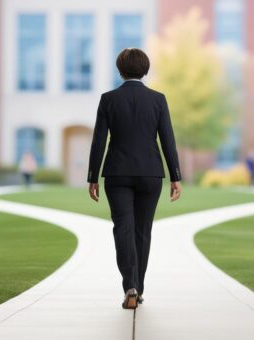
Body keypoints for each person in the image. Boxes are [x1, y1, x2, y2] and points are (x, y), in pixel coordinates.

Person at [87, 47, 182, 310]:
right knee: (143, 231)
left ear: (120, 70)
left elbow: (98, 141)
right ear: (146, 69)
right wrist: (175, 176)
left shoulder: (108, 99)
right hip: (151, 173)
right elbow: (168, 140)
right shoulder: (158, 99)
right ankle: (138, 288)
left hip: (117, 173)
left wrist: (93, 176)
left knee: (123, 229)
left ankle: (129, 285)